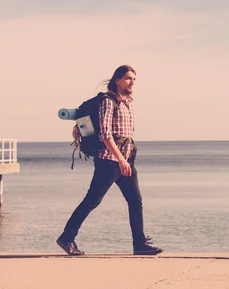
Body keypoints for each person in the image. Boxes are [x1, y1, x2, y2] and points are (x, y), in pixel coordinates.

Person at [57, 65, 162, 256]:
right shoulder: (108, 101)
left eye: (134, 80)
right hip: (109, 161)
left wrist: (125, 160)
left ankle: (139, 244)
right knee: (92, 200)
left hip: (125, 160)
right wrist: (120, 159)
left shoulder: (128, 102)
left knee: (135, 200)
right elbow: (106, 134)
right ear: (117, 80)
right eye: (129, 78)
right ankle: (66, 238)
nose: (132, 82)